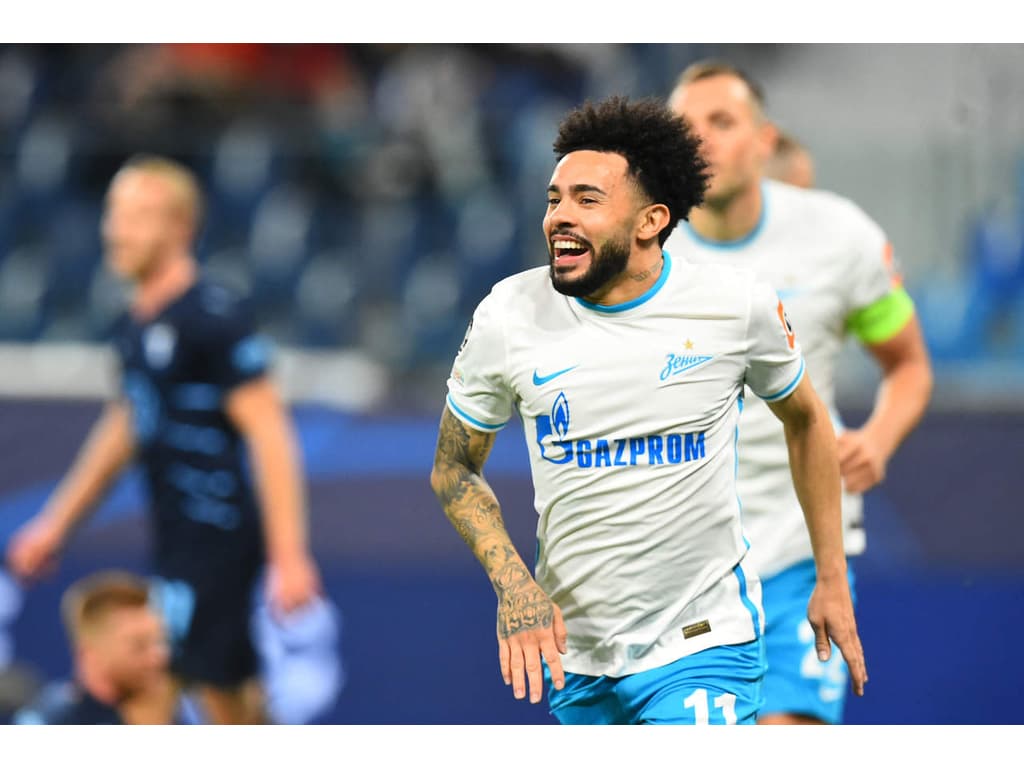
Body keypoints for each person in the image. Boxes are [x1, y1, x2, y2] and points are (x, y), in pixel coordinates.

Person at [429, 95, 867, 725]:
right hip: (578, 658)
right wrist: (514, 584)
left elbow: (806, 419)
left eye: (587, 199)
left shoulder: (733, 307)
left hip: (702, 642)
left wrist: (831, 575)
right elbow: (453, 471)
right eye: (554, 200)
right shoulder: (508, 315)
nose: (559, 218)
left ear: (650, 221)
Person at [5, 154, 322, 724]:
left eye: (136, 215)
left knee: (216, 698)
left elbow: (271, 436)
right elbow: (129, 423)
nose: (115, 230)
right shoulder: (135, 325)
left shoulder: (211, 317)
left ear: (180, 227)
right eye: (112, 213)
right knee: (179, 692)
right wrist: (56, 523)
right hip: (176, 539)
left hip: (219, 541)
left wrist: (289, 554)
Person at [665, 61, 933, 725]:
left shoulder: (839, 238)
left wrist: (880, 435)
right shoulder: (638, 249)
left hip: (797, 555)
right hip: (674, 569)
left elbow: (909, 367)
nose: (700, 141)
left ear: (763, 140)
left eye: (720, 122)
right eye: (683, 127)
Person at [13, 570, 177, 725]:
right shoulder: (47, 721)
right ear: (90, 655)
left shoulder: (178, 711)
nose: (159, 655)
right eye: (139, 645)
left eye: (161, 642)